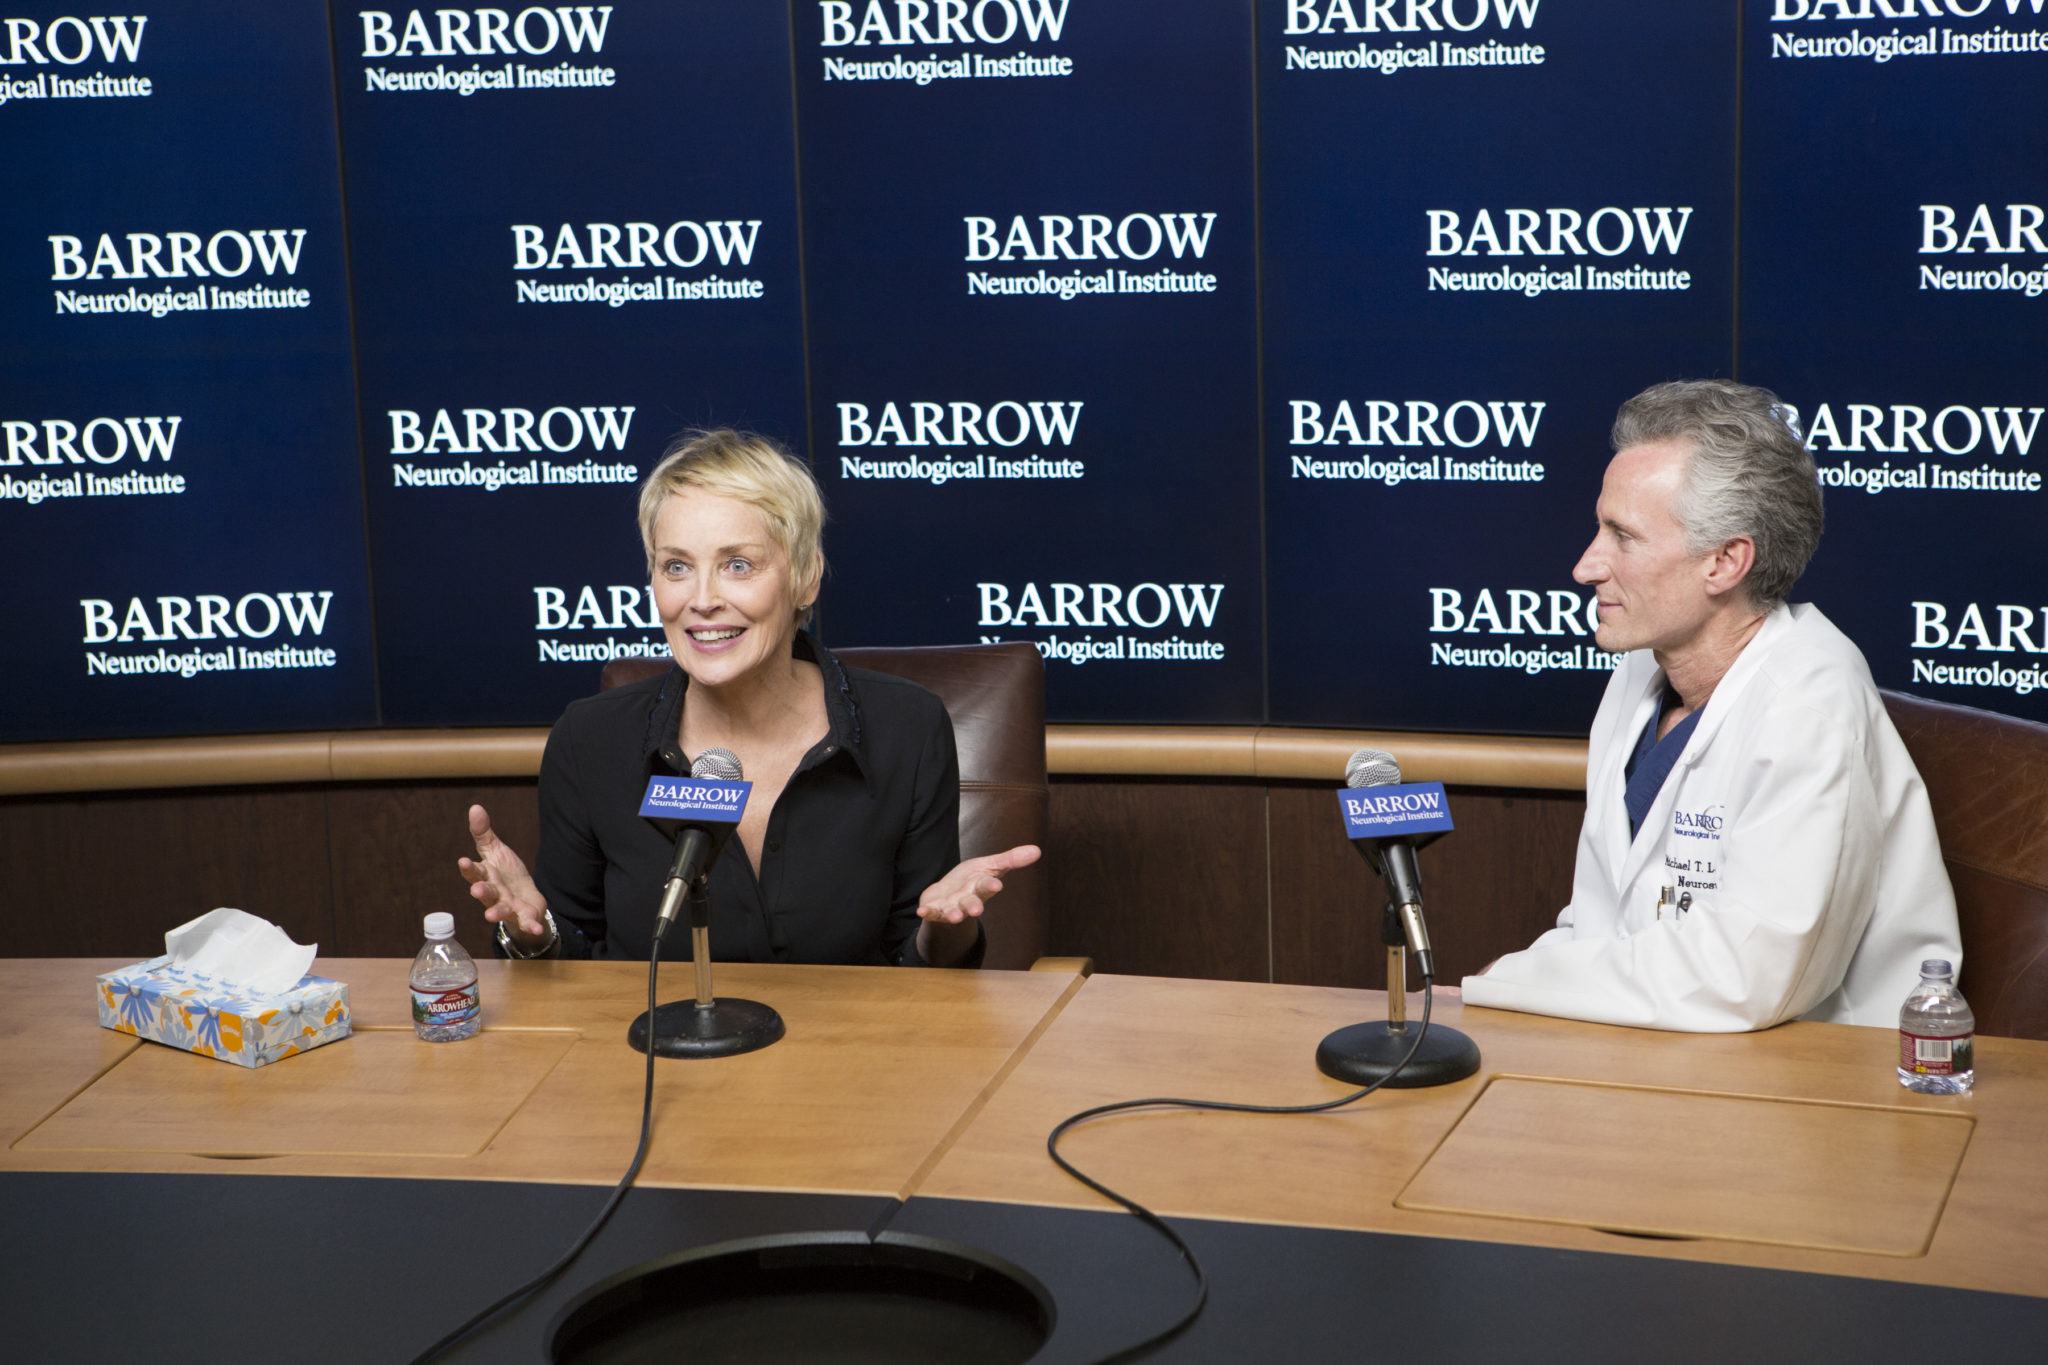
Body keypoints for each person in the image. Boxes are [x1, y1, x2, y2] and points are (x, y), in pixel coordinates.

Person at [1461, 380, 1960, 1031]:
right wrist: (1480, 1001)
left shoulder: (1810, 701)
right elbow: (1599, 923)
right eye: (1597, 528)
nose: (1586, 565)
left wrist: (1504, 985)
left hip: (1820, 1082)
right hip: (1658, 1048)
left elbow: (1741, 978)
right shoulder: (1641, 667)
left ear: (1726, 561)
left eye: (1623, 536)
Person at [457, 429, 1039, 966]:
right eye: (677, 566)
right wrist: (533, 934)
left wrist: (948, 927)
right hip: (658, 1064)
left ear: (806, 577)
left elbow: (919, 966)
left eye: (738, 565)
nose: (703, 599)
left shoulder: (907, 728)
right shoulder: (589, 741)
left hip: (850, 1061)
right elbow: (571, 958)